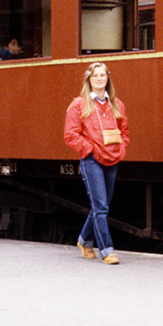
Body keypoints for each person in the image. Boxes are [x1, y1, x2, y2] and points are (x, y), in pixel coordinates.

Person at [63, 62, 130, 265]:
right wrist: (89, 149)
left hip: (112, 158)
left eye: (102, 75)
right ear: (89, 80)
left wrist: (121, 148)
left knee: (102, 205)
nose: (99, 78)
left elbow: (124, 132)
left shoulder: (117, 104)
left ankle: (84, 240)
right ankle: (107, 250)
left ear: (107, 78)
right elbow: (70, 135)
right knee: (100, 206)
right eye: (95, 76)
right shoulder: (79, 105)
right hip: (92, 160)